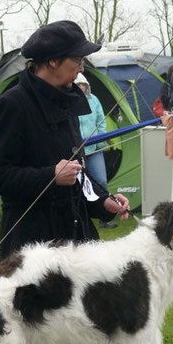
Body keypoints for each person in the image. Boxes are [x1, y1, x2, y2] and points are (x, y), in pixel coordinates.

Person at [0, 20, 129, 344]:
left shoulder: (72, 101)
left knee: (68, 342)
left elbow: (79, 169)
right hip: (29, 248)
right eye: (76, 57)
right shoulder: (12, 105)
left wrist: (100, 200)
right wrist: (48, 175)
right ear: (50, 63)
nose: (82, 63)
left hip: (74, 242)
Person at [75, 72, 116, 229]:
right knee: (79, 184)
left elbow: (101, 121)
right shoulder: (70, 102)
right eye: (78, 85)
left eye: (83, 85)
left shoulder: (94, 101)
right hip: (77, 150)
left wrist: (100, 140)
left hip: (95, 148)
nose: (81, 87)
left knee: (101, 180)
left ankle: (104, 217)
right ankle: (82, 216)